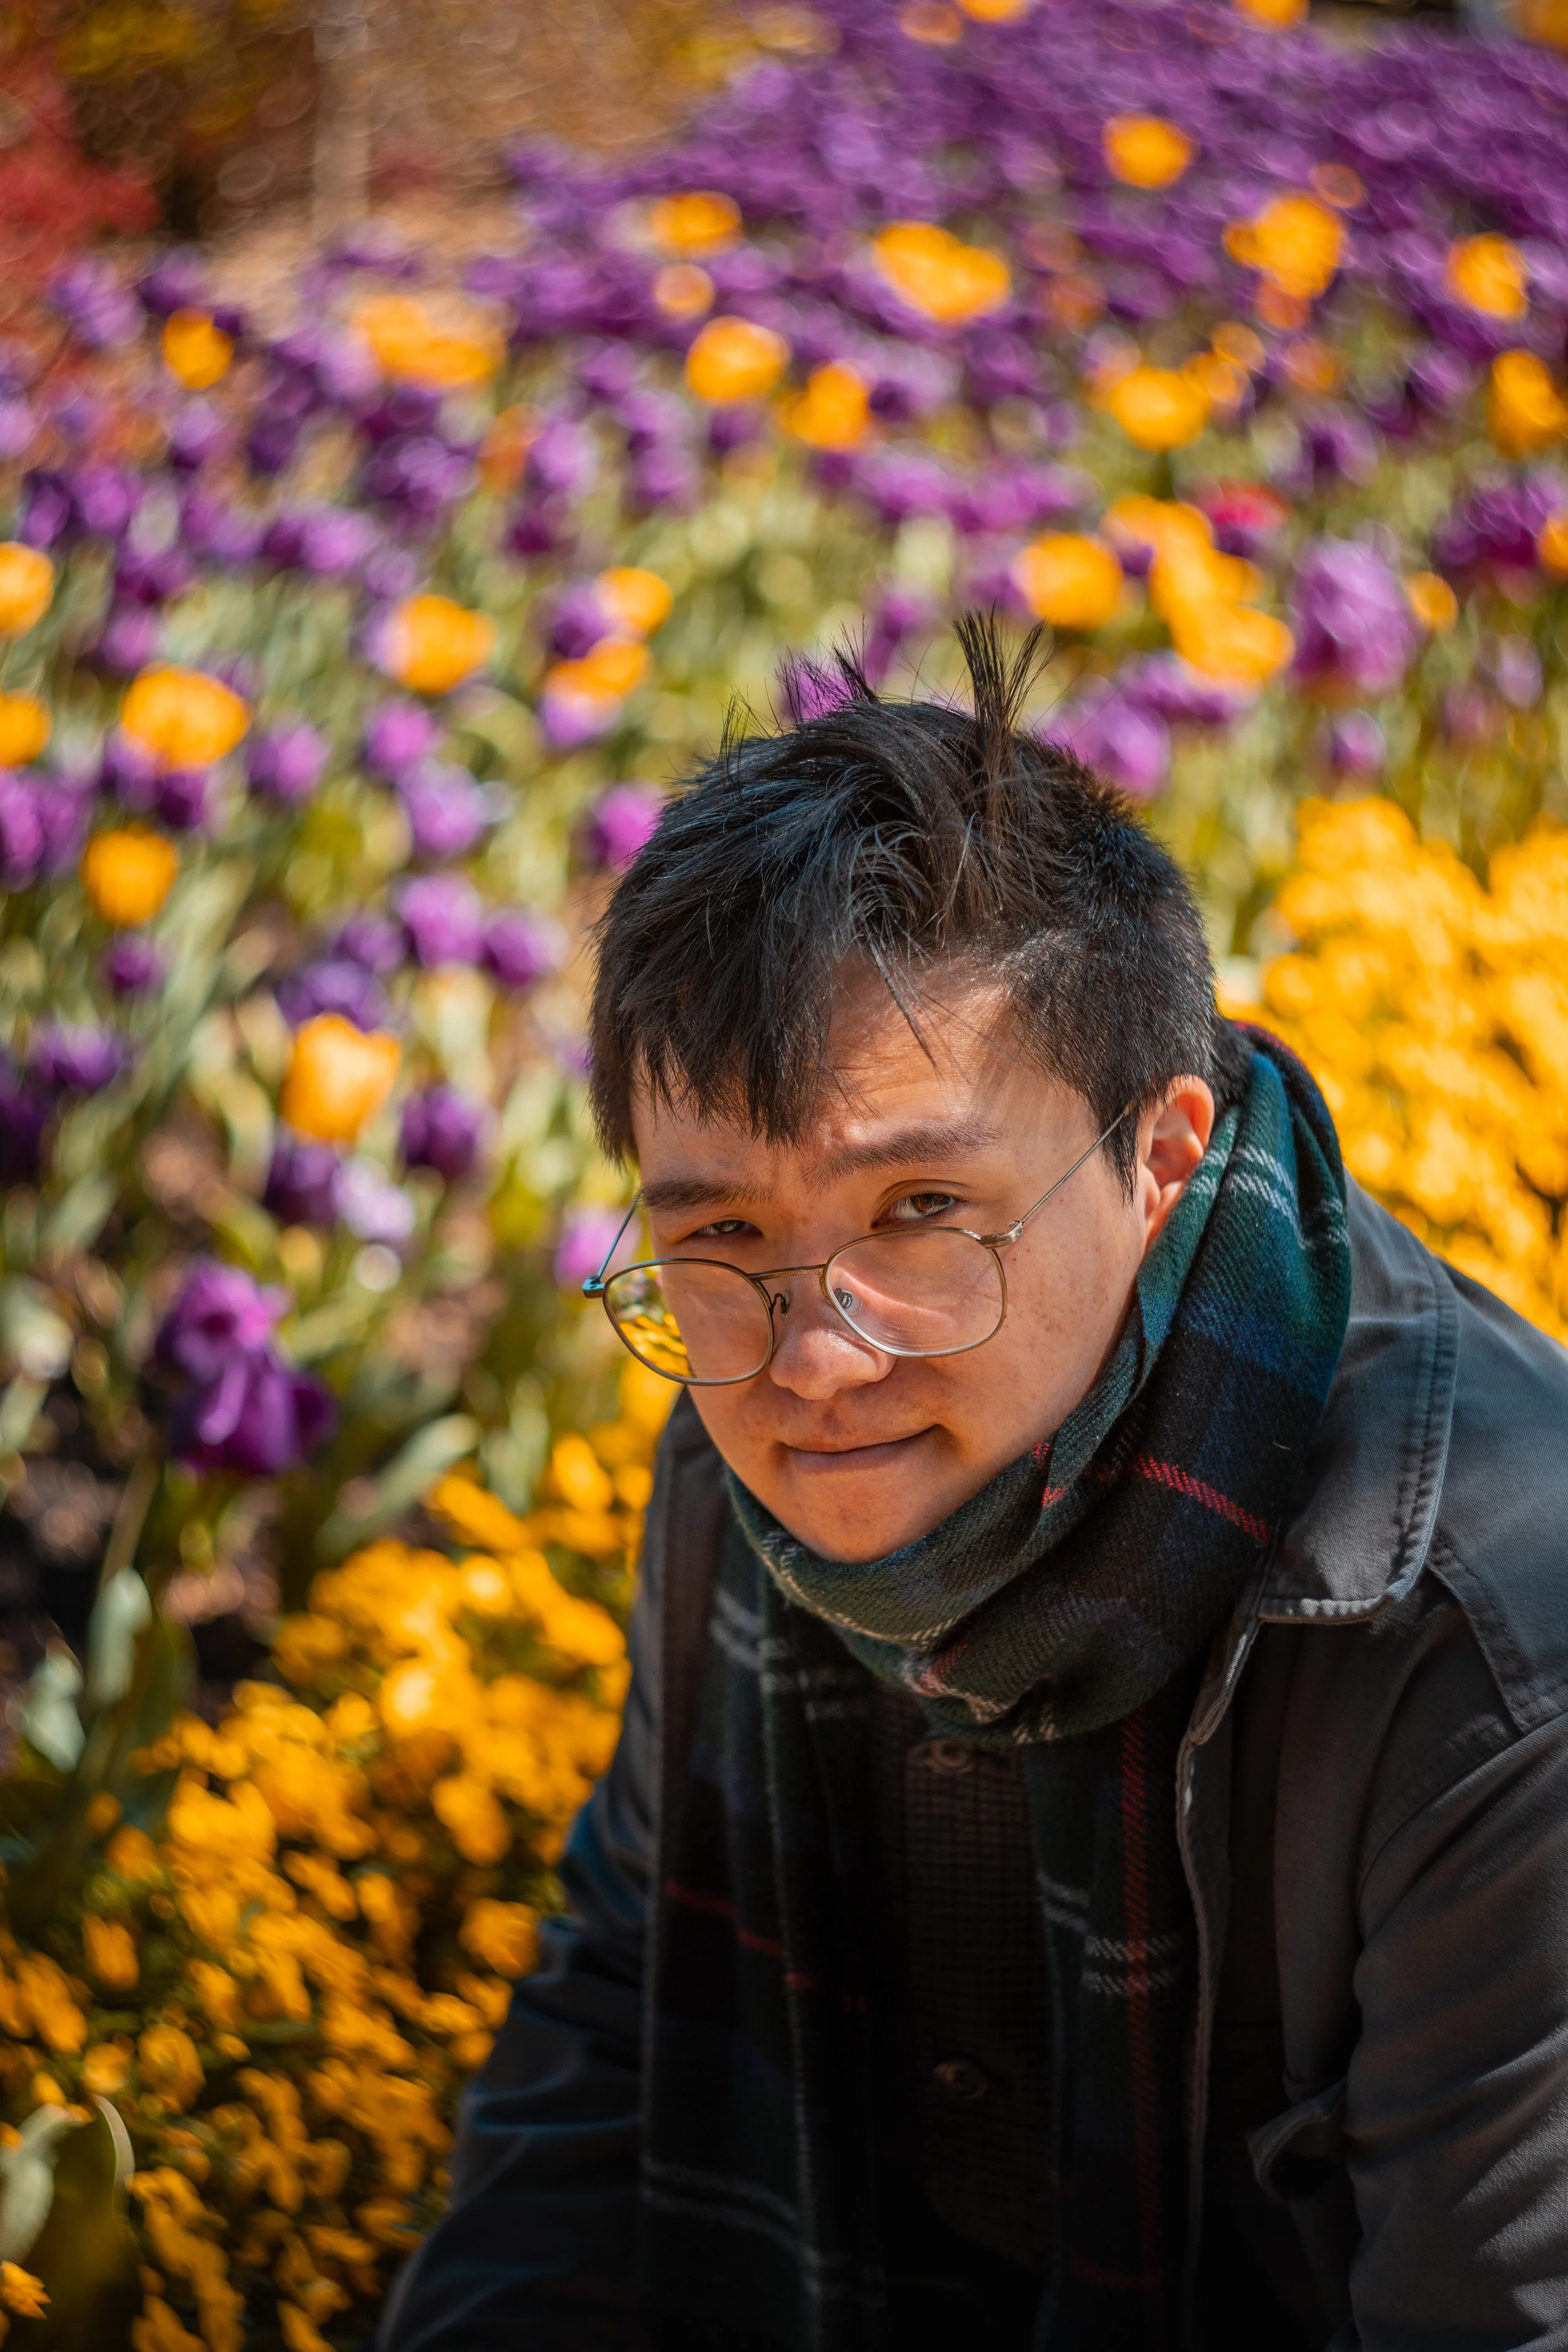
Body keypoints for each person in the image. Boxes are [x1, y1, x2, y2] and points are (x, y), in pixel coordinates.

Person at [381, 620, 1568, 2352]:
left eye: (919, 1215)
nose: (813, 1360)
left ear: (1157, 1154)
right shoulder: (744, 1482)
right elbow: (617, 2002)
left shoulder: (1469, 1656)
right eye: (718, 1237)